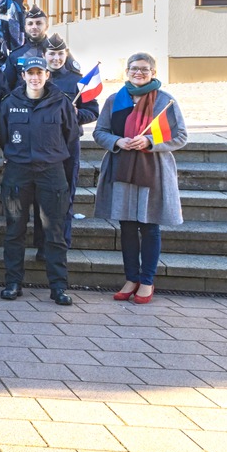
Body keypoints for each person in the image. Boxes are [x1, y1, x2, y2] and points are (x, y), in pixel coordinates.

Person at [93, 53, 187, 305]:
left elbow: (180, 137)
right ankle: (131, 278)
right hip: (122, 167)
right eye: (134, 69)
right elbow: (99, 132)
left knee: (149, 225)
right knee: (126, 226)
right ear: (127, 71)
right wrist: (117, 141)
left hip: (152, 170)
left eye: (145, 70)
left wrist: (149, 141)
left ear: (153, 72)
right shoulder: (115, 100)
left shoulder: (165, 102)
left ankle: (147, 280)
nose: (139, 73)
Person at [0, 56, 79, 306]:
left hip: (51, 172)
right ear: (22, 76)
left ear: (47, 75)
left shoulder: (61, 102)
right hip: (18, 173)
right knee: (14, 230)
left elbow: (70, 135)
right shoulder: (9, 103)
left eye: (39, 73)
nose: (34, 77)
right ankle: (13, 283)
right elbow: (3, 136)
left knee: (54, 232)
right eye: (29, 73)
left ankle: (58, 287)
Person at [45, 33, 98, 249]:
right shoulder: (38, 77)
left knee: (66, 193)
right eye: (52, 54)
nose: (56, 58)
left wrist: (76, 114)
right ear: (44, 54)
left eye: (60, 54)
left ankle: (62, 240)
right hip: (44, 145)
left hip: (68, 144)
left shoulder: (78, 81)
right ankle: (44, 241)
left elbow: (93, 112)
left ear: (65, 54)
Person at [4, 5, 50, 90]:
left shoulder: (56, 53)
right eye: (30, 24)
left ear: (47, 26)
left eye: (39, 23)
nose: (34, 27)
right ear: (25, 27)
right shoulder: (16, 55)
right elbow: (6, 86)